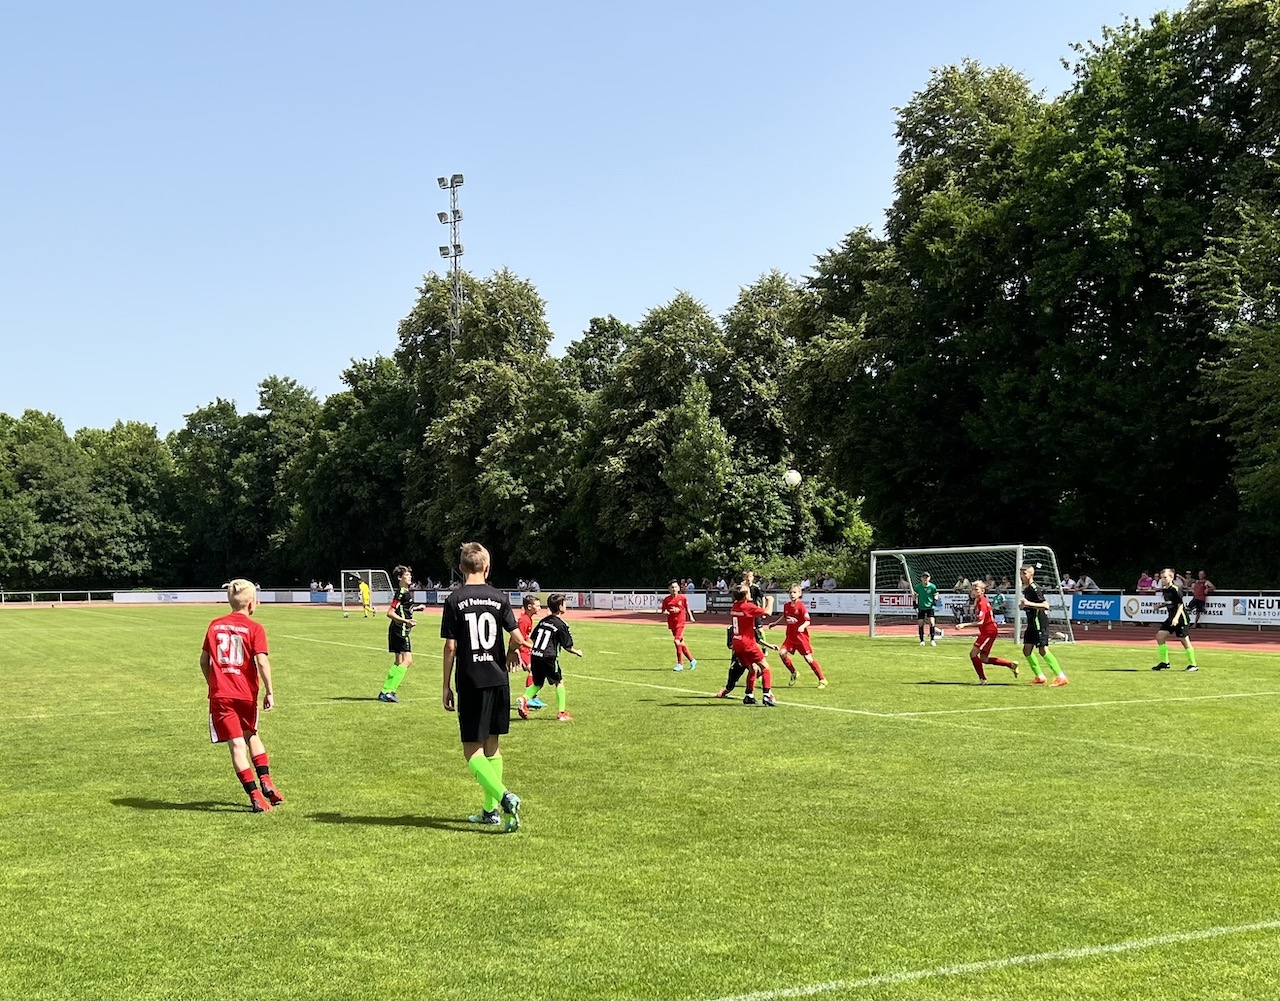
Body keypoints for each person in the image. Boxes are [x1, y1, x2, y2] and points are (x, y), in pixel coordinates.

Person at [441, 542, 531, 832]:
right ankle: (491, 812)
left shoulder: (454, 600)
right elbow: (517, 638)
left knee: (472, 751)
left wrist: (445, 686)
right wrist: (510, 654)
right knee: (492, 747)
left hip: (472, 680)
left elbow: (451, 647)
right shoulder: (499, 597)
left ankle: (504, 798)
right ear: (487, 567)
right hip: (498, 679)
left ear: (461, 568)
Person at [199, 579, 283, 813]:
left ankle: (255, 796)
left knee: (236, 745)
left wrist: (213, 683)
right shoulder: (255, 628)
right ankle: (266, 780)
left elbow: (204, 661)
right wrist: (270, 691)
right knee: (251, 734)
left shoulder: (214, 625)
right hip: (246, 694)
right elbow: (262, 661)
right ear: (251, 603)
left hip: (221, 695)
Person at [517, 593, 583, 722]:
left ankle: (523, 699)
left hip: (535, 655)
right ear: (560, 607)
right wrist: (577, 652)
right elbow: (567, 646)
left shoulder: (543, 621)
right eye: (564, 604)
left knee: (538, 683)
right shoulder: (562, 625)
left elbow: (532, 638)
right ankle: (562, 713)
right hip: (549, 657)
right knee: (559, 682)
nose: (566, 606)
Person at [952, 580, 1020, 684]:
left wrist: (964, 625)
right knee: (984, 659)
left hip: (989, 632)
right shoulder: (979, 600)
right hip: (987, 631)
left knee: (973, 654)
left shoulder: (982, 602)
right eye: (972, 589)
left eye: (976, 589)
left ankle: (982, 679)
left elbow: (981, 622)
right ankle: (1011, 665)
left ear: (982, 591)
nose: (973, 591)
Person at [378, 565, 425, 703]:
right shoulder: (401, 593)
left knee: (398, 662)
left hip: (396, 629)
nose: (410, 577)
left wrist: (416, 608)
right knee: (408, 660)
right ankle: (389, 691)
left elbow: (403, 609)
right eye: (407, 575)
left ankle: (385, 691)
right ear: (400, 577)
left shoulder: (404, 592)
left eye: (410, 575)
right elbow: (390, 613)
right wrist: (407, 621)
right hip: (400, 630)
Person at [1017, 564, 1069, 687]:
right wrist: (1024, 607)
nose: (1021, 576)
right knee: (1026, 650)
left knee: (1043, 650)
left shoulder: (1035, 588)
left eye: (1024, 573)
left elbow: (1045, 605)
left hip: (1039, 623)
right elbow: (1032, 605)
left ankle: (1061, 677)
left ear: (1031, 574)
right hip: (1031, 623)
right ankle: (1040, 676)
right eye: (1020, 573)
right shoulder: (1027, 589)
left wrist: (1028, 603)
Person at [771, 583, 827, 688]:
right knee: (782, 653)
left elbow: (808, 621)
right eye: (790, 592)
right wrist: (775, 623)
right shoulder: (787, 606)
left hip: (801, 639)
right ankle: (794, 672)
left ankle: (822, 679)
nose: (792, 594)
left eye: (794, 592)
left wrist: (802, 626)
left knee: (808, 659)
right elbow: (785, 616)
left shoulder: (801, 606)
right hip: (790, 637)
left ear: (799, 594)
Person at [729, 583, 777, 705]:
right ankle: (767, 695)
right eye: (748, 591)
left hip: (737, 643)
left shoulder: (735, 605)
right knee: (765, 667)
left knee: (752, 668)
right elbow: (768, 613)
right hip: (747, 643)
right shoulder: (748, 606)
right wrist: (771, 601)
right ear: (745, 595)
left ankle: (749, 695)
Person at [1151, 567, 1197, 672]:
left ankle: (1193, 664)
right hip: (1171, 617)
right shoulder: (1165, 589)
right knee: (1160, 637)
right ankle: (1165, 662)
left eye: (1165, 577)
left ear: (1171, 577)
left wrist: (1176, 618)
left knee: (1184, 641)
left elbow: (1180, 605)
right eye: (1162, 577)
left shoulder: (1175, 589)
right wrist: (1160, 606)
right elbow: (1170, 602)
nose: (1162, 579)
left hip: (1180, 618)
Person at [661, 579, 698, 672]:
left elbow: (687, 608)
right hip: (672, 623)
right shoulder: (666, 600)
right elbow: (664, 610)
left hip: (680, 623)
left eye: (675, 587)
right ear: (669, 589)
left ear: (678, 588)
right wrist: (665, 612)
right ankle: (692, 660)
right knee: (681, 643)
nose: (674, 589)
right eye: (672, 587)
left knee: (676, 641)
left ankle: (680, 664)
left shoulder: (682, 598)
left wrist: (691, 617)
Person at [742, 571, 779, 651]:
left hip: (755, 611)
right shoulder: (742, 588)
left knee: (759, 630)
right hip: (746, 612)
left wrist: (763, 608)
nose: (748, 578)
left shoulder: (755, 587)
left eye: (750, 576)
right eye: (747, 577)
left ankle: (764, 647)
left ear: (753, 578)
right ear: (744, 578)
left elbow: (762, 597)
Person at [517, 594, 542, 706]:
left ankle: (533, 697)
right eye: (537, 606)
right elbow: (519, 639)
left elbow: (526, 637)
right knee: (533, 670)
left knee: (535, 671)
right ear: (529, 607)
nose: (540, 608)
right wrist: (531, 647)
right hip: (521, 650)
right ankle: (530, 698)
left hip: (526, 649)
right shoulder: (524, 620)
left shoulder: (528, 619)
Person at [913, 571, 940, 646]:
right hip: (921, 607)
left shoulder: (932, 587)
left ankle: (932, 640)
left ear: (929, 578)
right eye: (923, 577)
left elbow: (936, 594)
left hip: (930, 607)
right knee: (920, 623)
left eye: (926, 577)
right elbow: (914, 594)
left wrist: (935, 600)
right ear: (921, 578)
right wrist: (914, 602)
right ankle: (922, 640)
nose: (925, 579)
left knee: (931, 622)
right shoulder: (918, 587)